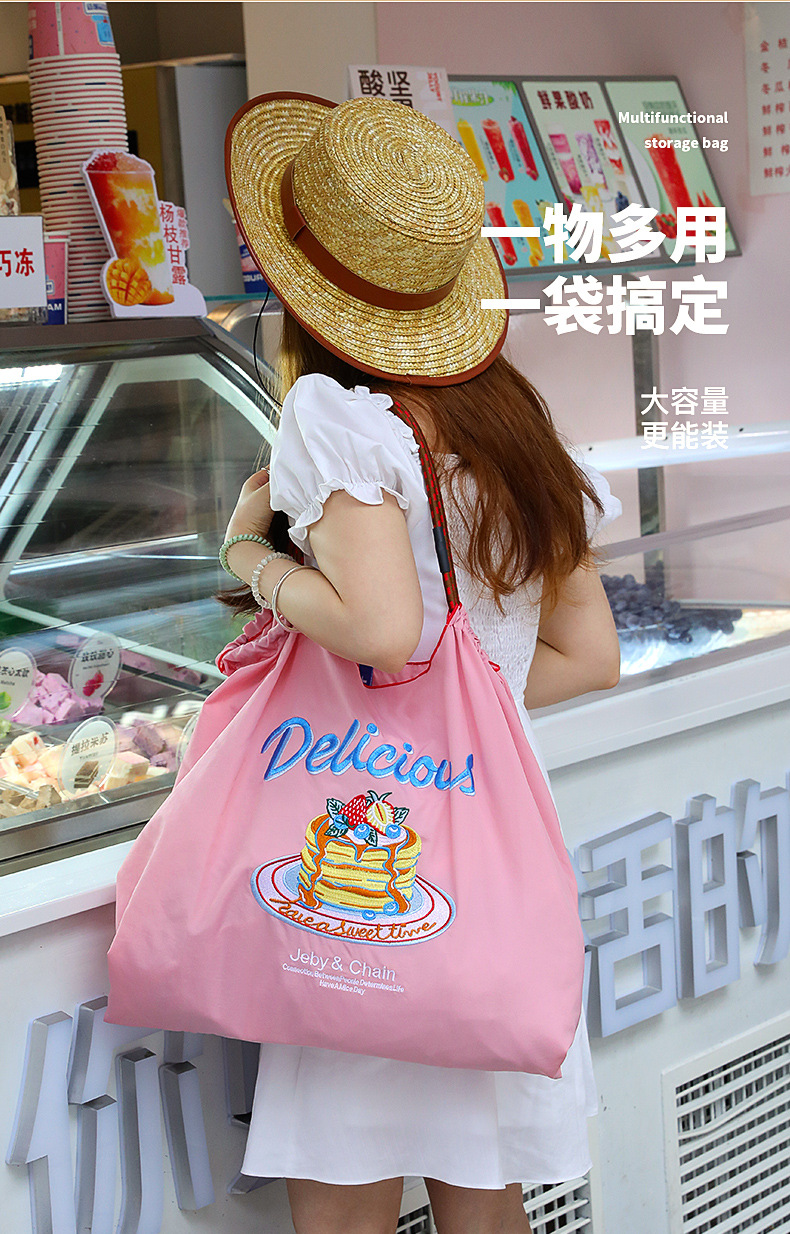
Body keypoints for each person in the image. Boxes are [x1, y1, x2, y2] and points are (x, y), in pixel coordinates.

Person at [221, 92, 622, 1234]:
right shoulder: (512, 424)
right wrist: (464, 711)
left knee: (344, 1203)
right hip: (495, 851)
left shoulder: (333, 417)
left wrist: (251, 558)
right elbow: (588, 654)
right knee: (485, 1202)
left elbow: (385, 631)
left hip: (362, 847)